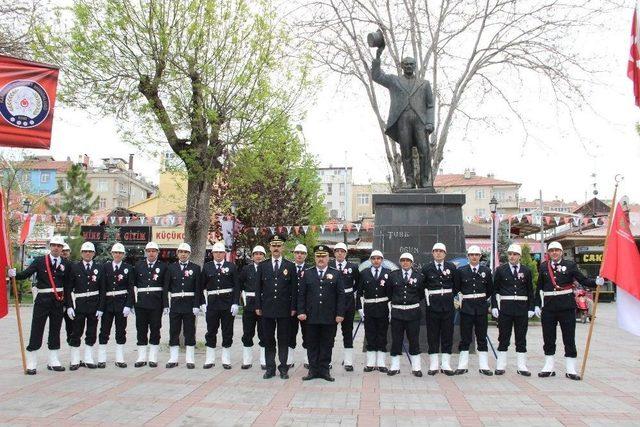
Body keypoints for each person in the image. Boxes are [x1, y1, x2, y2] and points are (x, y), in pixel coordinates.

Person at [535, 241, 604, 380]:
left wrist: (596, 281)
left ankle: (570, 368)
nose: (554, 252)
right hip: (549, 307)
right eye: (551, 250)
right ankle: (549, 366)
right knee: (548, 337)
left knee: (569, 337)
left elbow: (583, 280)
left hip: (566, 306)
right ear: (548, 252)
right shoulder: (543, 266)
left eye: (557, 250)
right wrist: (536, 305)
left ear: (561, 252)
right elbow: (539, 288)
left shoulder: (570, 265)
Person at [371, 42, 435, 188]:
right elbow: (377, 76)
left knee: (424, 150)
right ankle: (410, 181)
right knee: (405, 151)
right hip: (402, 120)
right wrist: (378, 55)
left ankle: (425, 181)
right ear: (401, 66)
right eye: (406, 64)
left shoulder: (424, 84)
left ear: (415, 66)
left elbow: (430, 105)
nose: (409, 67)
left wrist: (430, 122)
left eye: (411, 64)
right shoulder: (394, 81)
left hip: (420, 121)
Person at [8, 235, 71, 374]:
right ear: (50, 246)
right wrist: (14, 274)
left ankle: (53, 360)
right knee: (37, 329)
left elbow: (67, 285)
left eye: (59, 246)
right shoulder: (40, 261)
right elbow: (26, 274)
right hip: (42, 300)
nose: (56, 247)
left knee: (55, 330)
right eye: (54, 245)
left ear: (62, 248)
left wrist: (68, 304)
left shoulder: (66, 264)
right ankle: (32, 362)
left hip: (58, 301)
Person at [297, 245, 345, 381]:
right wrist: (301, 311)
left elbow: (341, 296)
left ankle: (324, 371)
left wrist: (340, 313)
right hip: (310, 316)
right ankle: (312, 370)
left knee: (327, 343)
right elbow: (302, 295)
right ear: (315, 258)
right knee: (311, 343)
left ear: (328, 258)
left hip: (329, 317)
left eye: (323, 256)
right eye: (318, 256)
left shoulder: (336, 273)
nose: (321, 259)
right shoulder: (307, 273)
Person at [256, 235, 297, 379]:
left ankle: (283, 368)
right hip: (267, 308)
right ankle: (270, 368)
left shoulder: (290, 266)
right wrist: (258, 306)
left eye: (279, 245)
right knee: (268, 339)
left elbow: (293, 289)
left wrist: (293, 307)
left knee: (283, 339)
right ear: (270, 248)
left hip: (284, 309)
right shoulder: (263, 265)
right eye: (273, 245)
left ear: (283, 247)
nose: (276, 248)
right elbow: (258, 288)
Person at [491, 244, 534, 376]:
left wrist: (531, 308)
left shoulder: (526, 271)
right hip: (506, 308)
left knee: (521, 337)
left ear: (519, 256)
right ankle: (501, 365)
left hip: (521, 308)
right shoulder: (501, 270)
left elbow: (530, 291)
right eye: (510, 254)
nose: (512, 256)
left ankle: (521, 366)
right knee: (504, 336)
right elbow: (494, 290)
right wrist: (494, 306)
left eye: (515, 254)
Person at [454, 245, 494, 376]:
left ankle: (484, 366)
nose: (474, 257)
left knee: (482, 337)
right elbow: (457, 288)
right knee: (465, 337)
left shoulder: (486, 271)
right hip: (466, 308)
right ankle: (462, 365)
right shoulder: (461, 271)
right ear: (468, 256)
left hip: (481, 308)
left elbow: (489, 290)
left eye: (477, 255)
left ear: (480, 256)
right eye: (472, 255)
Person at [201, 242, 240, 369]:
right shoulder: (207, 267)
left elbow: (236, 287)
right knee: (211, 331)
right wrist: (202, 302)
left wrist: (235, 303)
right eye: (216, 252)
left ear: (224, 253)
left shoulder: (231, 266)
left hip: (227, 304)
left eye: (221, 252)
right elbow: (200, 287)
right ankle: (210, 359)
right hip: (212, 304)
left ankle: (226, 359)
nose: (218, 254)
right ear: (212, 254)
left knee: (227, 331)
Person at [66, 241, 105, 370]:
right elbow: (68, 288)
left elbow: (103, 289)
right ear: (82, 253)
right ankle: (75, 360)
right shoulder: (75, 267)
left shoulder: (99, 268)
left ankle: (88, 358)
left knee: (91, 332)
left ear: (94, 253)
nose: (87, 254)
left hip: (94, 305)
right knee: (76, 332)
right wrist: (70, 306)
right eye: (85, 251)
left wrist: (100, 307)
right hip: (79, 305)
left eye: (90, 252)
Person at [421, 243, 457, 375]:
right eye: (436, 251)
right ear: (432, 253)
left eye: (441, 251)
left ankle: (446, 364)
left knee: (447, 334)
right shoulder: (426, 268)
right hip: (433, 307)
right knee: (432, 335)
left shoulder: (451, 267)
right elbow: (422, 287)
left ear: (445, 254)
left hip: (448, 306)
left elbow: (456, 285)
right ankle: (434, 364)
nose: (438, 253)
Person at [386, 253, 425, 377]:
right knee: (396, 340)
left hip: (413, 313)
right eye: (402, 260)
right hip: (397, 313)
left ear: (412, 262)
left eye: (408, 260)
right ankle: (395, 366)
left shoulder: (419, 276)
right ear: (400, 262)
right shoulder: (393, 276)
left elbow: (421, 294)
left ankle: (416, 367)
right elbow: (389, 292)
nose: (405, 262)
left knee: (414, 340)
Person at [98, 242, 134, 368]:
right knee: (104, 331)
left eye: (120, 253)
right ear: (112, 253)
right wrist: (100, 307)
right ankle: (102, 358)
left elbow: (131, 288)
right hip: (107, 304)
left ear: (123, 254)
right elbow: (102, 288)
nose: (117, 255)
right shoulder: (105, 267)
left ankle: (119, 358)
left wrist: (128, 305)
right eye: (115, 252)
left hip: (121, 304)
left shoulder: (128, 268)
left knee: (121, 331)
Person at [166, 243, 201, 369]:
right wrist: (166, 304)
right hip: (175, 304)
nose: (183, 254)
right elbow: (167, 287)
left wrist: (197, 304)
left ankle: (190, 359)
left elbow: (198, 288)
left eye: (185, 252)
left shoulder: (196, 268)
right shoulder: (171, 268)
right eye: (181, 252)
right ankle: (173, 358)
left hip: (189, 304)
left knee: (189, 331)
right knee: (174, 331)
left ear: (189, 254)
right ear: (177, 253)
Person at [133, 241, 168, 368]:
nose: (151, 253)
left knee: (155, 329)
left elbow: (165, 287)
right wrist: (133, 303)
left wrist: (165, 305)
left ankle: (153, 357)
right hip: (141, 304)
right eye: (149, 251)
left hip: (156, 304)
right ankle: (141, 357)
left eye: (154, 251)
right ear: (145, 252)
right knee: (141, 330)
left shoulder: (163, 267)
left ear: (158, 253)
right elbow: (134, 284)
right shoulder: (138, 266)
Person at [356, 250, 392, 372]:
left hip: (383, 308)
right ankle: (371, 363)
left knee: (382, 335)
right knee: (370, 334)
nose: (376, 260)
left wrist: (391, 309)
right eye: (374, 258)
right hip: (369, 308)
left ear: (382, 260)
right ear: (370, 260)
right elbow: (359, 293)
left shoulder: (388, 273)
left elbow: (391, 293)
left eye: (378, 258)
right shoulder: (364, 273)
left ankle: (381, 363)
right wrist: (360, 308)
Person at [331, 242, 359, 371]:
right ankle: (328, 360)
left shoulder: (353, 267)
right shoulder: (330, 266)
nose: (340, 253)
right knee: (329, 332)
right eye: (337, 251)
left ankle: (348, 361)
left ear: (346, 253)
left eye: (342, 251)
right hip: (332, 303)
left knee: (347, 332)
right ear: (334, 253)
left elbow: (357, 284)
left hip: (348, 302)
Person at [239, 245, 267, 369]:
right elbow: (239, 286)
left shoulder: (268, 268)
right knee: (247, 332)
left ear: (264, 256)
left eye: (261, 254)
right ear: (252, 256)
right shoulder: (246, 269)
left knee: (264, 333)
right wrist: (238, 302)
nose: (258, 256)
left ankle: (264, 360)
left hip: (264, 305)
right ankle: (247, 360)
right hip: (249, 305)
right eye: (256, 254)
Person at [289, 243, 310, 368]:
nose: (299, 255)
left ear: (306, 255)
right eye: (297, 253)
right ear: (294, 254)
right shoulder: (288, 268)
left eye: (302, 253)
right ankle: (289, 360)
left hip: (306, 307)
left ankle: (307, 360)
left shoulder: (310, 270)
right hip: (290, 307)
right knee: (290, 333)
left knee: (307, 334)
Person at [61, 242, 74, 346]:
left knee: (71, 326)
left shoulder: (73, 265)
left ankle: (72, 346)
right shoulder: (55, 264)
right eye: (63, 251)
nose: (65, 253)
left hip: (69, 299)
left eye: (67, 251)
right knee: (54, 327)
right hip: (57, 299)